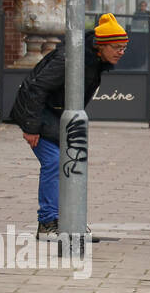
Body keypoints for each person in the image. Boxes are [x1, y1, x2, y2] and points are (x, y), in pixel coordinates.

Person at [10, 13, 129, 236]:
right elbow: (37, 88)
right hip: (39, 112)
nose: (121, 52)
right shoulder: (71, 59)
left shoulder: (94, 61)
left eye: (123, 47)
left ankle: (68, 220)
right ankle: (47, 222)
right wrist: (31, 127)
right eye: (116, 47)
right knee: (54, 162)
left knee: (71, 162)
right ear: (101, 46)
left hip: (56, 117)